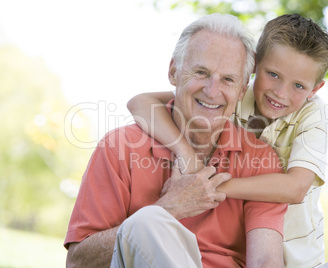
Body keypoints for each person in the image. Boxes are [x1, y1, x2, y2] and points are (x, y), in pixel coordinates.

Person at [127, 14, 328, 267]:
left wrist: (207, 186)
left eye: (298, 86)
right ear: (252, 67)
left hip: (296, 258)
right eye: (273, 74)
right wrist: (188, 156)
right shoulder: (230, 95)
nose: (280, 93)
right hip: (244, 250)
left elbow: (295, 188)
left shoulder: (312, 114)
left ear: (315, 89)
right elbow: (140, 102)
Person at [64, 13, 288, 268]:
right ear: (174, 72)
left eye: (228, 79)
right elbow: (78, 262)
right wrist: (169, 208)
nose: (212, 91)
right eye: (201, 72)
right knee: (147, 221)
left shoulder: (260, 158)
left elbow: (266, 261)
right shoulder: (120, 147)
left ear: (242, 89)